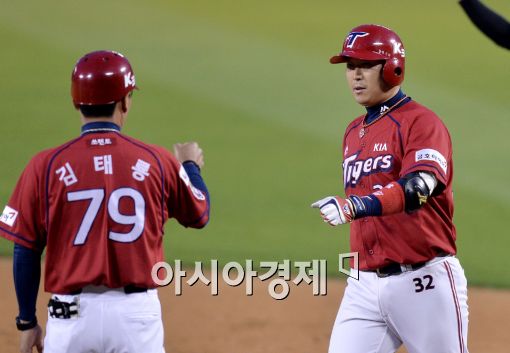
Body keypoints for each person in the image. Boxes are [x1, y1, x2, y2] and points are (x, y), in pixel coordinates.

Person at [0, 50, 210, 353]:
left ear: (76, 102)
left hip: (69, 319)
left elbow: (25, 249)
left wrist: (26, 322)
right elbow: (199, 214)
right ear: (124, 101)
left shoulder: (45, 165)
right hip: (135, 318)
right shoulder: (157, 160)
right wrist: (190, 167)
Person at [311, 24, 469, 353]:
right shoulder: (354, 131)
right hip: (363, 285)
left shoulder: (421, 122)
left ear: (392, 68)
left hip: (423, 282)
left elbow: (418, 188)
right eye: (350, 66)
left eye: (365, 65)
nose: (355, 75)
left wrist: (356, 207)